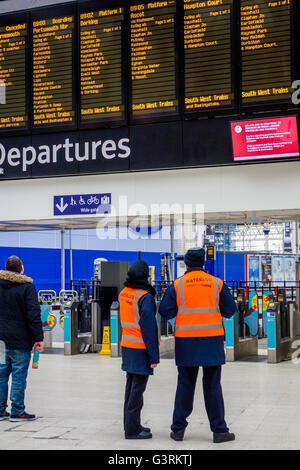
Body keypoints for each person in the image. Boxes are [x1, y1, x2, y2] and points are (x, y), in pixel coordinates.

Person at [159, 248, 236, 444]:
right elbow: (230, 310)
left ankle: (178, 430)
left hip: (186, 341)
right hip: (212, 341)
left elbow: (165, 311)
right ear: (203, 263)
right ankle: (219, 431)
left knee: (185, 385)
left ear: (186, 263)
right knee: (212, 387)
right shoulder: (216, 283)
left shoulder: (177, 285)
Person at [0, 256, 44, 422]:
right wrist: (38, 338)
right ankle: (17, 411)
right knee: (18, 376)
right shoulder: (27, 287)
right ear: (21, 269)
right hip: (20, 340)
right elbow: (33, 314)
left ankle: (0, 410)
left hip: (1, 341)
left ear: (5, 268)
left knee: (1, 375)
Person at [119, 260, 159, 439]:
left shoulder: (124, 293)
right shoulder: (145, 297)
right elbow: (149, 328)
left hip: (127, 346)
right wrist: (154, 356)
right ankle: (132, 430)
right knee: (137, 391)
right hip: (141, 348)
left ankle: (131, 424)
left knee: (130, 388)